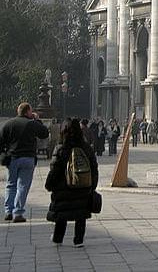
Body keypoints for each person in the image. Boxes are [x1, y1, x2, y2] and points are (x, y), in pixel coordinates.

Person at [45, 118, 98, 247]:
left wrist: (49, 184)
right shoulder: (86, 148)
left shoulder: (61, 148)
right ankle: (78, 239)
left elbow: (55, 168)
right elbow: (93, 168)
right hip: (83, 186)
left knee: (62, 214)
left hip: (63, 187)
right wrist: (93, 185)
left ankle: (58, 238)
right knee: (81, 214)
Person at [0, 102, 49, 222]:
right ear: (27, 112)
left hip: (13, 158)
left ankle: (8, 211)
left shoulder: (8, 124)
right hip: (28, 158)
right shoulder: (31, 124)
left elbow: (1, 141)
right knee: (23, 185)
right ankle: (18, 212)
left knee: (11, 184)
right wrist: (37, 120)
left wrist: (3, 154)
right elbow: (44, 134)